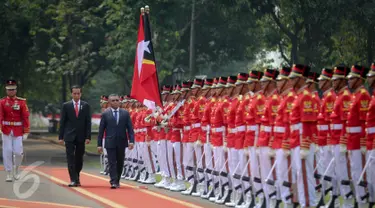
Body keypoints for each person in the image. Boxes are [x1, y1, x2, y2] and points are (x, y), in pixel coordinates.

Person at [97, 94, 134, 189]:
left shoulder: (125, 113)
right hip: (110, 141)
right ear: (109, 102)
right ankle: (113, 181)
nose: (115, 102)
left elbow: (130, 128)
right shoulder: (105, 114)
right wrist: (99, 144)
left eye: (117, 100)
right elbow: (101, 130)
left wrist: (131, 141)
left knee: (120, 161)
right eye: (113, 100)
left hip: (122, 141)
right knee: (112, 162)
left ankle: (117, 180)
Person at [58, 85, 92, 187]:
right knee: (70, 157)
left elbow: (88, 122)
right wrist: (61, 136)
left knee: (79, 158)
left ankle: (76, 175)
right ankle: (73, 179)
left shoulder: (85, 106)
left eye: (78, 93)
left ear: (81, 94)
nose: (76, 95)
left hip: (81, 136)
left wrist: (88, 136)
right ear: (71, 94)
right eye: (74, 93)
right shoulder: (66, 105)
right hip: (69, 136)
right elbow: (62, 122)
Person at [0, 80, 30, 182]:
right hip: (6, 129)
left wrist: (26, 131)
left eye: (13, 89)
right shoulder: (2, 102)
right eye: (9, 90)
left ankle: (16, 169)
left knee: (18, 152)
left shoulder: (21, 102)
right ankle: (8, 173)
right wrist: (0, 128)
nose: (11, 91)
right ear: (6, 90)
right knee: (7, 151)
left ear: (16, 90)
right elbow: (0, 116)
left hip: (18, 130)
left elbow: (25, 117)